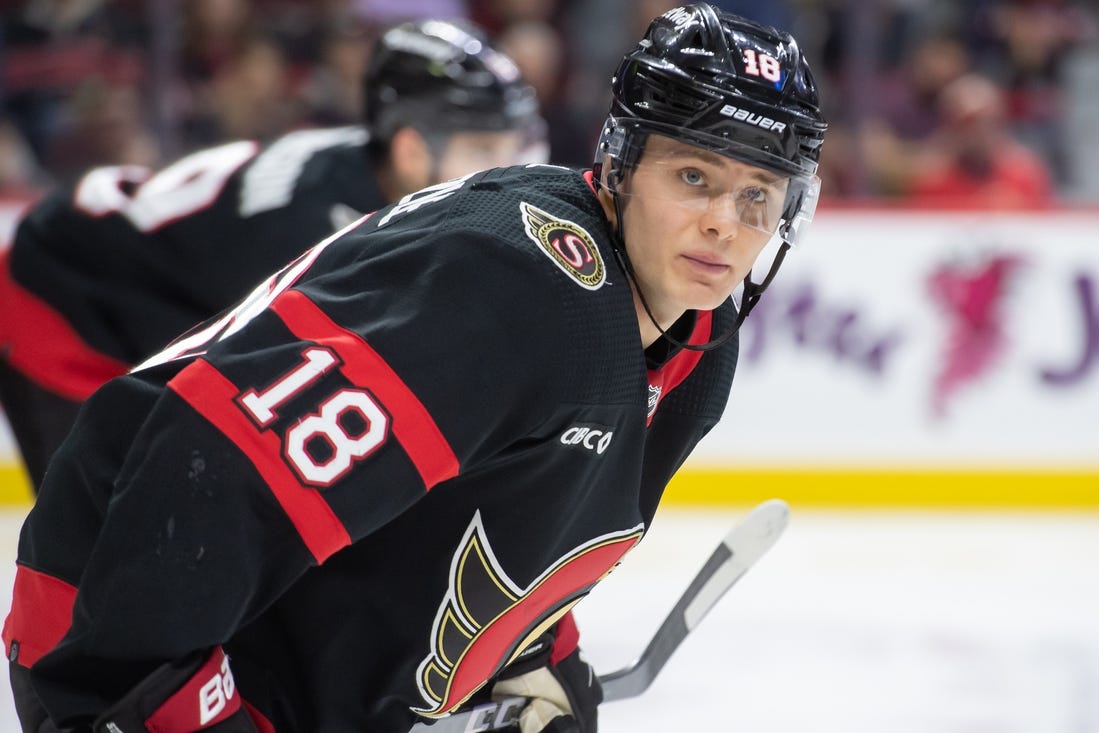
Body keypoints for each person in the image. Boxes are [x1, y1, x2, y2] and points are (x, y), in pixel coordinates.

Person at [3, 4, 826, 733]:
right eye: (693, 176)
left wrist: (531, 652)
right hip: (122, 630)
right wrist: (151, 691)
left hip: (266, 649)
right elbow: (215, 462)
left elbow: (517, 512)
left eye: (759, 195)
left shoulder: (699, 335)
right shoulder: (511, 284)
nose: (725, 222)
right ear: (620, 165)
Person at [0, 17, 546, 493]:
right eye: (481, 149)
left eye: (507, 148)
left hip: (129, 292)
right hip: (56, 297)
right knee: (98, 550)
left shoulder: (368, 185)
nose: (502, 171)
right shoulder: (313, 229)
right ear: (408, 148)